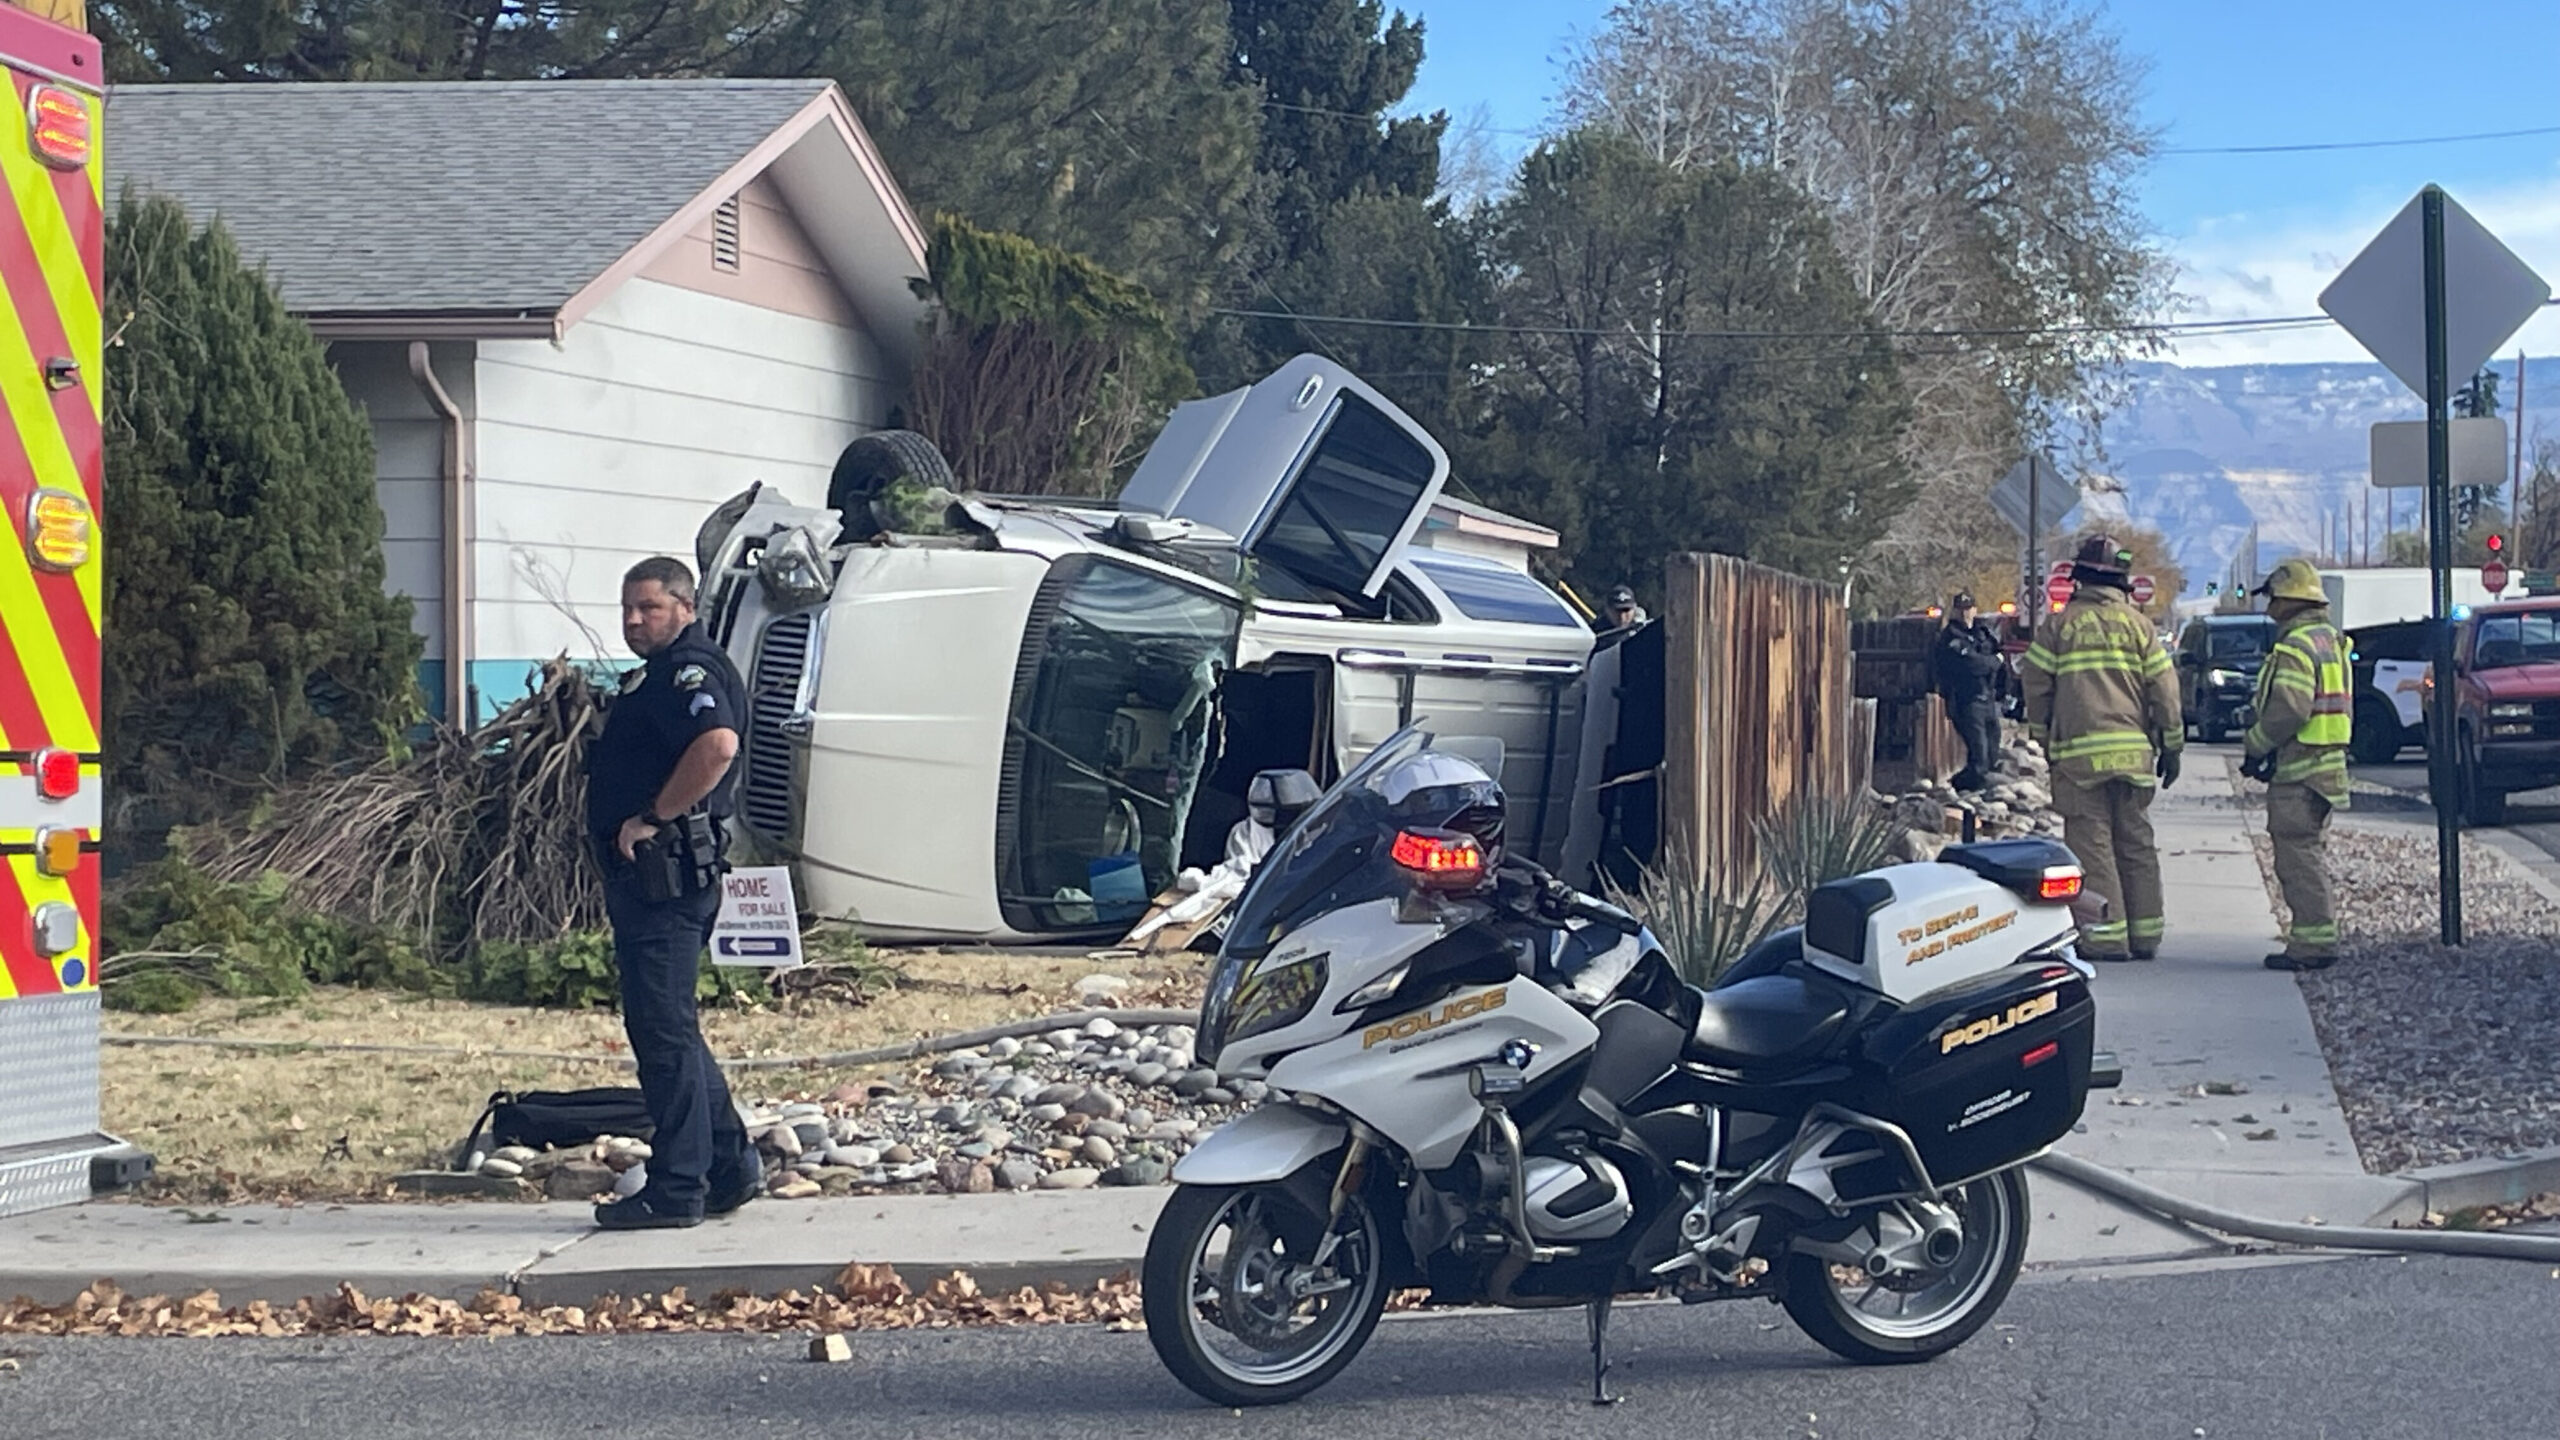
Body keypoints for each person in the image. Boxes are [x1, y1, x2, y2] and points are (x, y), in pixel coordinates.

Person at [584, 556, 759, 1229]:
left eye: (648, 608)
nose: (633, 620)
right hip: (659, 878)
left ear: (684, 607)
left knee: (662, 1036)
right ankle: (729, 1166)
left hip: (665, 877)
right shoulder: (662, 673)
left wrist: (653, 817)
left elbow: (716, 746)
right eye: (627, 608)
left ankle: (677, 1188)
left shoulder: (689, 670)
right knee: (673, 1030)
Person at [2019, 535, 2184, 962]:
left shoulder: (2059, 626)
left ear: (2079, 578)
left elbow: (2036, 686)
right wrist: (2172, 744)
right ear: (2121, 582)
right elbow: (2165, 691)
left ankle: (2106, 937)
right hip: (2134, 756)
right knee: (2136, 843)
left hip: (2079, 758)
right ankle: (2146, 934)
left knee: (2093, 844)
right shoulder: (2140, 626)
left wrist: (2043, 736)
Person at [2241, 558, 2351, 971]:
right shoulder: (2330, 641)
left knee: (2297, 859)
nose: (2269, 609)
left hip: (2301, 769)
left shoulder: (2296, 646)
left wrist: (2256, 744)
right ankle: (2316, 939)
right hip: (2326, 767)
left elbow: (2289, 708)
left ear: (2289, 601)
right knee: (2309, 854)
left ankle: (2313, 945)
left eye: (2273, 599)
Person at [1933, 591, 2007, 792]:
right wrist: (1994, 662)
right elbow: (1973, 666)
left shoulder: (1982, 633)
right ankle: (1960, 789)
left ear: (1975, 610)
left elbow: (2000, 657)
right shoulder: (1950, 637)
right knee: (1979, 755)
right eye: (1961, 609)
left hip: (1988, 699)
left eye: (1968, 609)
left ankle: (1980, 792)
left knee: (1992, 752)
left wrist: (1995, 667)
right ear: (1954, 611)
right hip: (1967, 700)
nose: (1965, 613)